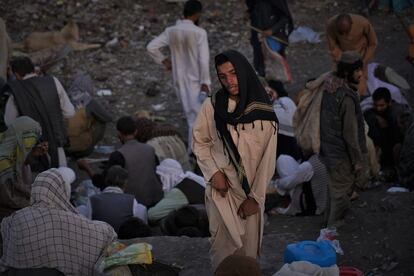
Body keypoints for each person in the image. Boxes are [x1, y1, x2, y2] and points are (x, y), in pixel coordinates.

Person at [192, 50, 278, 269]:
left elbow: (267, 161)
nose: (229, 82)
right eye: (222, 76)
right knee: (222, 253)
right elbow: (200, 141)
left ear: (244, 71)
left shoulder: (263, 113)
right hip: (222, 193)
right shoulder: (212, 106)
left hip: (250, 195)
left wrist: (255, 199)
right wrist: (214, 172)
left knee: (248, 256)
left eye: (233, 73)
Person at [0, 168, 116, 276]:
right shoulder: (78, 223)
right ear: (64, 191)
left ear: (35, 190)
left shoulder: (14, 220)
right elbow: (106, 236)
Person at [147, 0, 211, 148]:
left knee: (190, 117)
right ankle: (196, 152)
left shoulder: (171, 31)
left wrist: (164, 61)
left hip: (179, 80)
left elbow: (151, 47)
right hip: (197, 81)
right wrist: (205, 83)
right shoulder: (200, 33)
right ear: (197, 14)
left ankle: (193, 151)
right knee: (199, 119)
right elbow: (203, 60)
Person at [319, 51, 367, 227]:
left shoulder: (330, 85)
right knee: (342, 192)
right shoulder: (346, 97)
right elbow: (350, 134)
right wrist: (357, 160)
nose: (361, 74)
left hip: (329, 148)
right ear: (347, 73)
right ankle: (333, 228)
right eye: (357, 71)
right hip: (340, 152)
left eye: (361, 69)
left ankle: (327, 225)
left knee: (334, 189)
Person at [3, 56, 75, 167]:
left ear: (16, 74)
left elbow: (9, 123)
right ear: (33, 69)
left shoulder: (15, 93)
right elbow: (70, 112)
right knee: (62, 179)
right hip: (57, 144)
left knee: (36, 182)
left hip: (33, 150)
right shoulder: (53, 81)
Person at [78, 116, 163, 207]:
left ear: (119, 134)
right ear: (136, 131)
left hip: (133, 205)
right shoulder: (150, 149)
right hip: (156, 200)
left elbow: (102, 183)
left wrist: (86, 167)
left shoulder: (118, 155)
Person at [77, 165, 149, 236]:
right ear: (125, 183)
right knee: (141, 208)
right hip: (125, 238)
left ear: (106, 181)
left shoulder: (93, 199)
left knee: (81, 208)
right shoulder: (132, 200)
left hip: (100, 239)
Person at [0, 116, 44, 221]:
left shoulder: (14, 152)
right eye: (32, 141)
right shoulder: (3, 161)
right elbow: (10, 198)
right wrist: (37, 202)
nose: (32, 145)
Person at [326, 13, 378, 95]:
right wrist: (341, 60)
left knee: (360, 83)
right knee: (336, 83)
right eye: (341, 33)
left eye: (347, 32)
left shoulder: (363, 23)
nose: (344, 36)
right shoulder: (331, 24)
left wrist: (364, 62)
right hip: (343, 56)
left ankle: (360, 99)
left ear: (352, 24)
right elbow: (333, 46)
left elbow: (373, 43)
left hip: (360, 56)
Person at [65, 73, 112, 158]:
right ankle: (89, 145)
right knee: (100, 120)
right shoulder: (88, 101)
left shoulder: (64, 98)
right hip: (84, 150)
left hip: (64, 149)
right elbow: (108, 118)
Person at [364, 87, 407, 173]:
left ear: (389, 102)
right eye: (376, 105)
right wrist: (376, 117)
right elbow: (366, 112)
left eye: (381, 105)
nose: (378, 109)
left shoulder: (397, 113)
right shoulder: (376, 112)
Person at [245, 0, 293, 76]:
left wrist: (272, 30)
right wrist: (249, 13)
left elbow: (285, 18)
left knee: (274, 70)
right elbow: (253, 9)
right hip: (258, 37)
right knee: (260, 66)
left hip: (273, 38)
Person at [148, 158, 205, 223]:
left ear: (166, 177)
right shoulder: (191, 178)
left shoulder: (179, 191)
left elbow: (152, 215)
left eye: (161, 177)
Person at [265, 79, 301, 160]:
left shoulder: (284, 101)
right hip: (288, 137)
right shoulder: (286, 101)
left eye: (271, 91)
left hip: (285, 137)